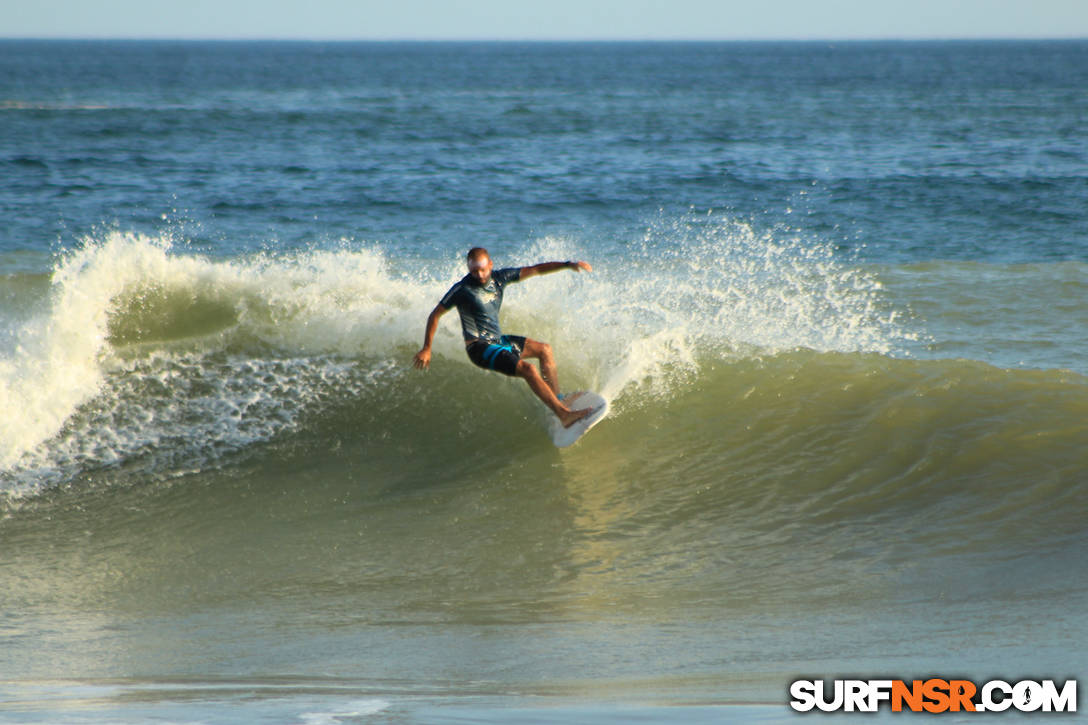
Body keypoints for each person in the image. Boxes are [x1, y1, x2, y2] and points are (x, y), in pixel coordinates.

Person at [413, 247, 594, 428]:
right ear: (469, 269)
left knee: (544, 349)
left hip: (498, 341)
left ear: (490, 265)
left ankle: (558, 401)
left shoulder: (501, 278)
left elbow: (537, 269)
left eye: (483, 269)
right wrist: (427, 348)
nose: (479, 274)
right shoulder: (462, 289)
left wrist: (568, 265)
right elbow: (435, 315)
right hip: (479, 348)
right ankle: (564, 415)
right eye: (474, 271)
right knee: (528, 369)